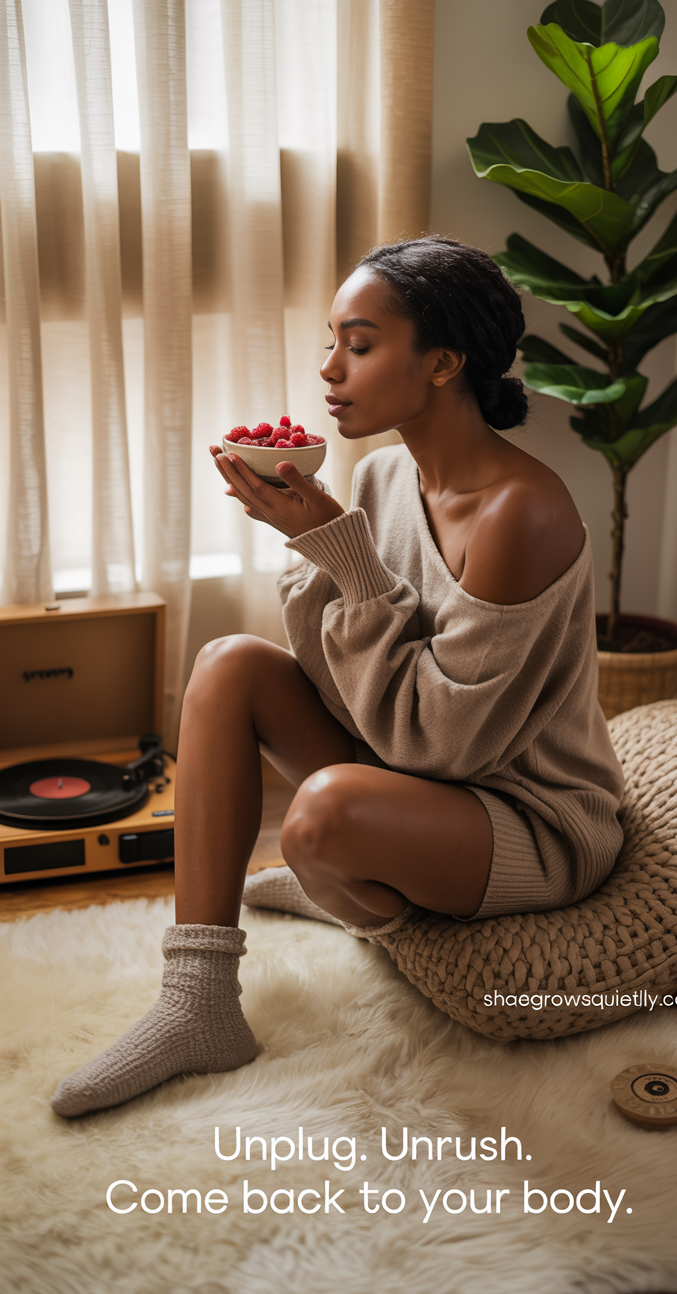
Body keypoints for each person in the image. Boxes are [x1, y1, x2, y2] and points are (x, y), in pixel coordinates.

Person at [50, 237, 624, 1118]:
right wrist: (318, 542)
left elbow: (448, 744)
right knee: (228, 662)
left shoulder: (522, 513)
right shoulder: (384, 473)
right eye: (333, 341)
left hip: (526, 816)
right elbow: (339, 668)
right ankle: (196, 1000)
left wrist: (346, 559)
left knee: (319, 816)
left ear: (442, 362)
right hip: (418, 776)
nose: (328, 368)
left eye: (359, 344)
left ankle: (350, 885)